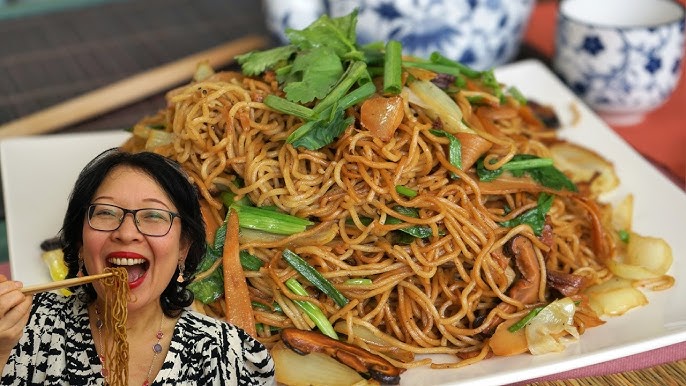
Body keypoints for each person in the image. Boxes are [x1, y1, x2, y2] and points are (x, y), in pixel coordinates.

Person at [0, 148, 275, 385]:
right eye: (106, 212)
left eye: (154, 215)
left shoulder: (230, 355)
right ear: (80, 243)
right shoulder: (24, 327)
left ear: (183, 248)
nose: (127, 232)